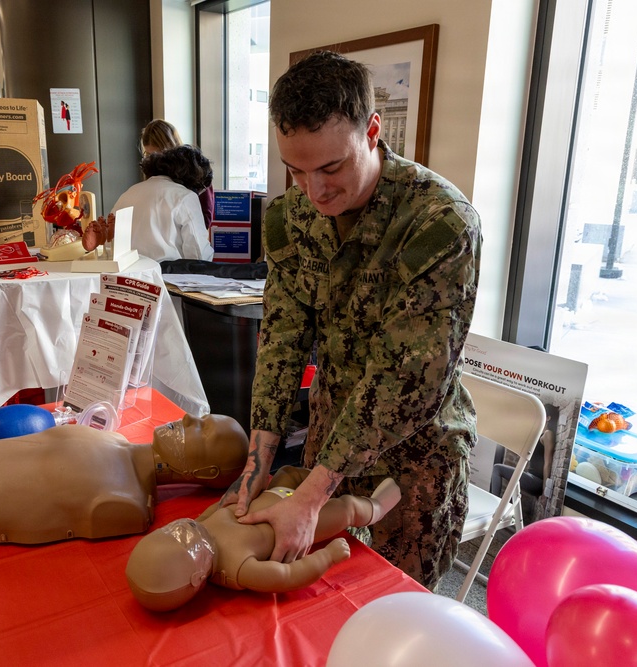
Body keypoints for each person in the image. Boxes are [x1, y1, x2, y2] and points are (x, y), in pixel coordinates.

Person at [219, 50, 482, 591]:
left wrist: (313, 493)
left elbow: (405, 380)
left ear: (373, 131)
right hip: (328, 443)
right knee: (319, 604)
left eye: (331, 168)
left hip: (413, 462)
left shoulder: (439, 224)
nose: (313, 191)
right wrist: (257, 464)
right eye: (296, 170)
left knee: (396, 613)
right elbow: (283, 342)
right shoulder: (290, 218)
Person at [0, 413, 249, 547]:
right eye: (201, 417)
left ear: (205, 473)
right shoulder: (114, 439)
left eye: (203, 430)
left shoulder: (126, 502)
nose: (188, 419)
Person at [125, 466, 401, 611]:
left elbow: (220, 507)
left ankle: (328, 485)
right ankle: (375, 507)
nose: (182, 528)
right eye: (183, 540)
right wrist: (326, 557)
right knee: (347, 508)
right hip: (301, 523)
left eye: (169, 530)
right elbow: (286, 576)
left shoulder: (201, 526)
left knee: (288, 472)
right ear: (197, 577)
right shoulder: (236, 568)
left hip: (279, 495)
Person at [82, 145, 214, 261]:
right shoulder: (185, 197)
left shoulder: (130, 192)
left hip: (127, 274)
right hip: (168, 276)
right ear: (194, 179)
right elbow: (198, 254)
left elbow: (110, 241)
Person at [140, 119, 214, 228]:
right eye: (149, 155)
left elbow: (204, 219)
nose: (154, 162)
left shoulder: (196, 171)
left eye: (159, 155)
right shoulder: (151, 174)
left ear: (171, 148)